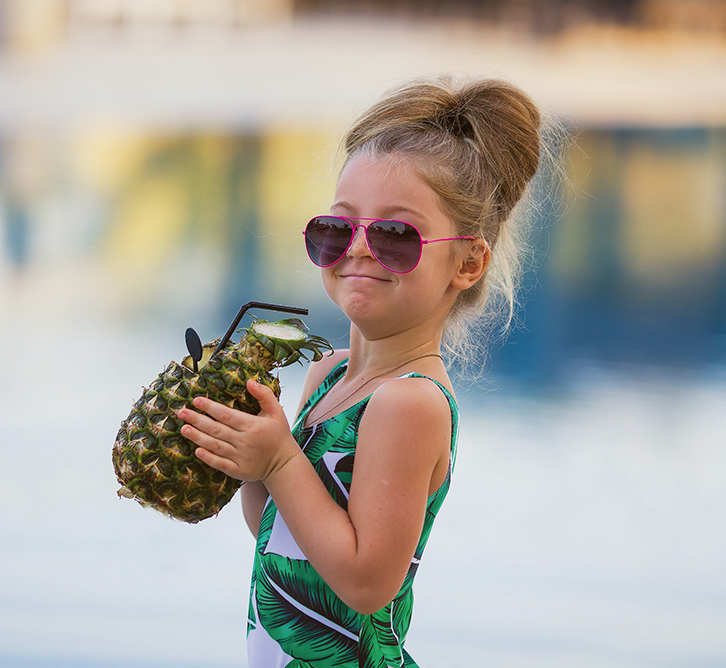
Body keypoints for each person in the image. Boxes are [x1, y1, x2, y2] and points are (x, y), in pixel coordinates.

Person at [177, 75, 549, 667]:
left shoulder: (409, 404)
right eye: (337, 227)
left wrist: (280, 460)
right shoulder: (328, 376)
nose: (357, 248)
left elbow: (366, 583)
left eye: (395, 234)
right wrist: (253, 461)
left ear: (468, 262)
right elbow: (280, 537)